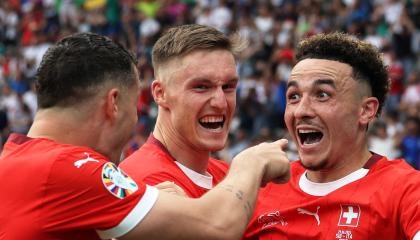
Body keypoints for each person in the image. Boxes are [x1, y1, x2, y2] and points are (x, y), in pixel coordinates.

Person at [0, 32, 291, 240]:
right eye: (201, 87)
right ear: (114, 104)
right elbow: (217, 226)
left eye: (229, 87)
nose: (219, 100)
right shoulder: (70, 168)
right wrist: (250, 163)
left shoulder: (18, 160)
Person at [243, 33, 420, 240]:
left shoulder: (404, 189)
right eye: (294, 96)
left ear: (365, 110)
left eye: (322, 95)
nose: (301, 111)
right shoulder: (260, 189)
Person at [120, 24, 242, 197]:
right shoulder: (141, 184)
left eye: (228, 87)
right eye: (201, 87)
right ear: (160, 93)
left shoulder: (228, 175)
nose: (221, 103)